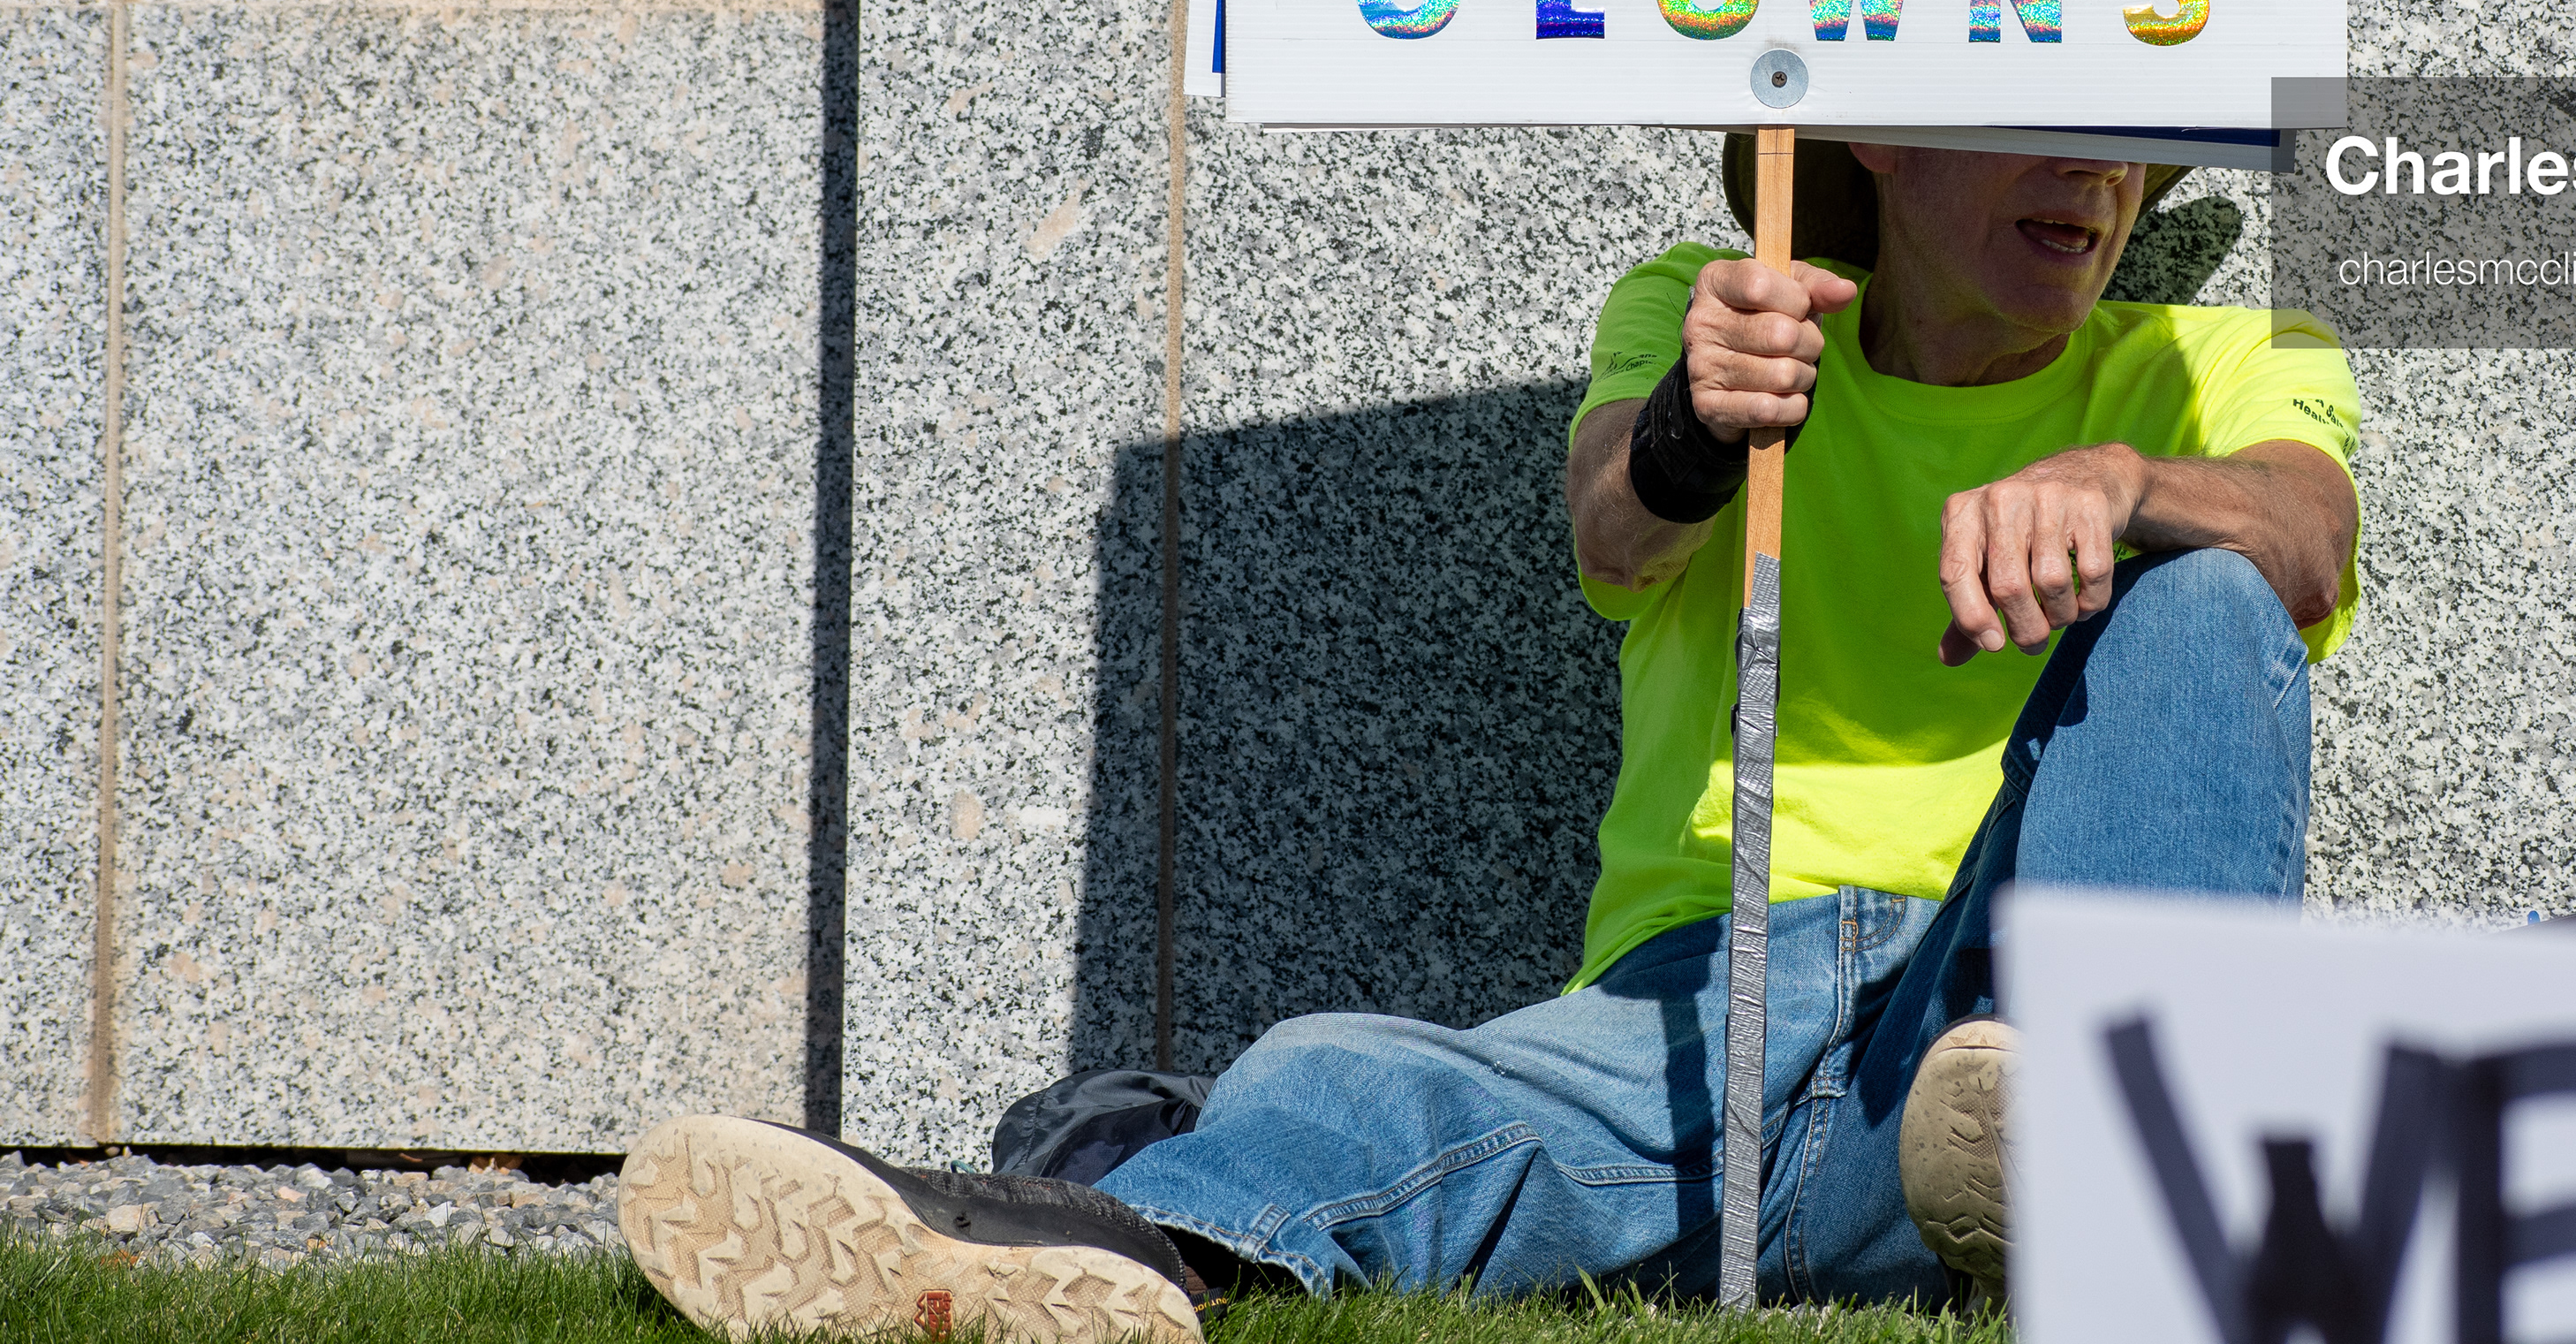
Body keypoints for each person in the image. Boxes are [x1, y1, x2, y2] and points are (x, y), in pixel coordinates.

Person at [616, 141, 2364, 1341]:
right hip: (1703, 1010)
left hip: (2002, 1016)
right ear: (1884, 133)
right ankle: (1093, 1253)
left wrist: (2134, 488)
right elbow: (1620, 528)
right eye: (2041, 112)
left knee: (2212, 597)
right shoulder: (1714, 299)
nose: (2097, 173)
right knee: (1348, 1072)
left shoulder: (2221, 360)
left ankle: (2118, 1166)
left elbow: (2308, 535)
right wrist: (1699, 422)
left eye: (2130, 128)